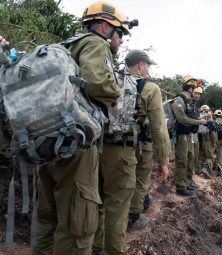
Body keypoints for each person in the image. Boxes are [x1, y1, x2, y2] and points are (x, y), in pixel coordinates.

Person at [30, 1, 134, 254]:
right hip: (75, 144)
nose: (120, 41)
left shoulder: (66, 46)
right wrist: (115, 94)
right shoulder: (95, 44)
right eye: (120, 33)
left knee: (48, 217)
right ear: (104, 26)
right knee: (79, 222)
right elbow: (98, 82)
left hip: (45, 140)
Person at [123, 49, 170, 232]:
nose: (149, 70)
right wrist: (164, 160)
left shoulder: (111, 80)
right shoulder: (150, 88)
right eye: (148, 66)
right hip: (138, 144)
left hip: (107, 144)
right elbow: (159, 127)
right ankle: (133, 218)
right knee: (140, 180)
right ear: (141, 65)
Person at [172, 76, 207, 196]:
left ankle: (187, 182)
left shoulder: (188, 102)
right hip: (181, 135)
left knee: (189, 158)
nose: (195, 91)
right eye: (194, 88)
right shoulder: (179, 101)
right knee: (182, 160)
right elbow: (182, 119)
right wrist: (199, 122)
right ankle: (180, 187)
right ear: (190, 88)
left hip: (188, 134)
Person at [198, 105, 217, 178]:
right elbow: (213, 133)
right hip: (207, 141)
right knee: (209, 157)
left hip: (198, 141)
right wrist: (214, 142)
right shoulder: (210, 119)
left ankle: (198, 171)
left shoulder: (198, 117)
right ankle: (205, 169)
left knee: (200, 156)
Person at [213, 110, 222, 176]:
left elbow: (214, 133)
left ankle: (219, 172)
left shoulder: (214, 122)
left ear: (215, 115)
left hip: (217, 141)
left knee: (217, 156)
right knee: (220, 155)